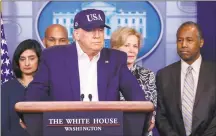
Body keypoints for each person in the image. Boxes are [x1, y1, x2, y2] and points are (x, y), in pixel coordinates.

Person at [24, 9, 147, 136]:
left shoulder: (115, 59)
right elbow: (35, 93)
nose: (97, 35)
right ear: (76, 34)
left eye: (100, 30)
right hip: (64, 130)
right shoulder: (53, 57)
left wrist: (144, 118)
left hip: (107, 130)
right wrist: (29, 117)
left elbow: (136, 97)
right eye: (90, 30)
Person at [156, 21, 216, 136]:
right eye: (180, 40)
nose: (183, 45)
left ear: (201, 42)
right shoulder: (164, 75)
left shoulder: (214, 72)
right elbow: (160, 115)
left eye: (189, 40)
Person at [111, 27, 157, 136]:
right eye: (126, 45)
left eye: (135, 46)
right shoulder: (106, 74)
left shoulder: (147, 75)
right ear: (115, 48)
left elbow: (151, 110)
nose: (131, 50)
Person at [1, 39, 42, 136]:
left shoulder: (46, 87)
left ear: (39, 60)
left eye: (31, 58)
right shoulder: (6, 88)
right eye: (22, 59)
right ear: (17, 62)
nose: (27, 63)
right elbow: (3, 124)